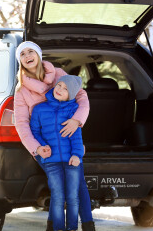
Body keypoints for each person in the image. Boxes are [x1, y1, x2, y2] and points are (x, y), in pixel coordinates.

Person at [13, 41, 96, 231]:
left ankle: (87, 225)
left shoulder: (58, 74)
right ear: (20, 62)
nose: (27, 56)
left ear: (39, 54)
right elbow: (22, 124)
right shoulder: (22, 91)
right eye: (23, 54)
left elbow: (80, 96)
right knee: (58, 188)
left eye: (31, 51)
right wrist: (37, 148)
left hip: (68, 141)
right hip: (45, 146)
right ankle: (56, 227)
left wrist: (77, 120)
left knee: (78, 183)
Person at [30, 75, 91, 231]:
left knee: (72, 197)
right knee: (57, 196)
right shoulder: (39, 109)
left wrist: (77, 155)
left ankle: (71, 228)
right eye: (59, 85)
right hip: (51, 160)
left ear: (70, 95)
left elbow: (77, 136)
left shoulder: (73, 109)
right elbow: (35, 131)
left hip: (72, 160)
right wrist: (42, 146)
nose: (60, 90)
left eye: (65, 89)